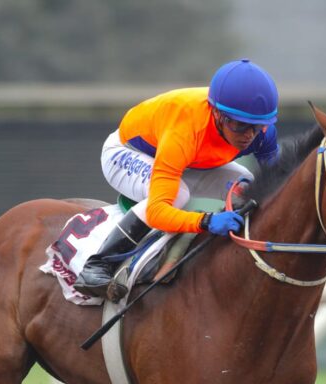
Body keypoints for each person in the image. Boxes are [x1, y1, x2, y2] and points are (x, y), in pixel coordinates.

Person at [74, 58, 280, 299]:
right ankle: (98, 265)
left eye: (257, 127)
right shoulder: (185, 131)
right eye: (240, 126)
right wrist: (206, 221)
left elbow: (278, 182)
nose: (249, 136)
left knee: (247, 186)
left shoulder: (263, 132)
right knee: (178, 195)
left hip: (189, 160)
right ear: (217, 114)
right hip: (126, 153)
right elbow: (157, 212)